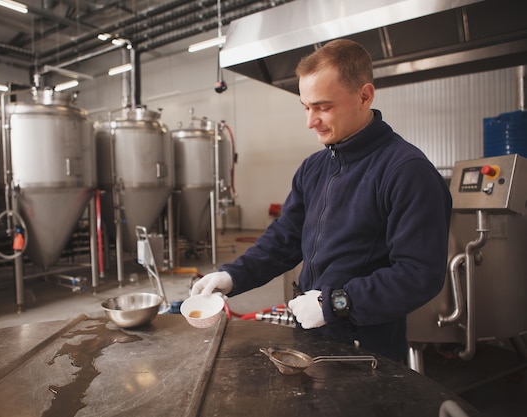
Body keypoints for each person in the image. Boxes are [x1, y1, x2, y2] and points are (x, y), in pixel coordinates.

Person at [190, 38, 452, 362]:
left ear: (364, 96)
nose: (310, 121)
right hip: (312, 339)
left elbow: (418, 275)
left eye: (323, 107)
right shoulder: (314, 168)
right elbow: (285, 238)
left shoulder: (406, 171)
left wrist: (334, 304)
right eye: (306, 107)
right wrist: (233, 276)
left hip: (367, 353)